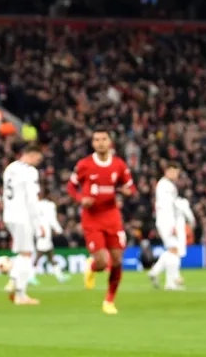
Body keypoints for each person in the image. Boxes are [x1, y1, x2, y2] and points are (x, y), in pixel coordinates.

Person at [67, 129, 135, 315]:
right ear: (92, 143)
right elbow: (71, 186)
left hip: (112, 216)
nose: (100, 143)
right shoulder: (84, 165)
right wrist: (81, 198)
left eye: (104, 139)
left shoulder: (119, 165)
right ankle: (91, 267)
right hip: (92, 218)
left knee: (117, 260)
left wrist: (128, 192)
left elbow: (130, 186)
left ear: (110, 141)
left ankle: (109, 300)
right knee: (102, 261)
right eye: (97, 140)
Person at [2, 145, 43, 305]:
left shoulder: (10, 167)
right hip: (23, 215)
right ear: (31, 155)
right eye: (37, 159)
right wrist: (38, 222)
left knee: (22, 252)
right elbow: (32, 199)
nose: (38, 163)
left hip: (9, 214)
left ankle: (14, 279)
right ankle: (21, 294)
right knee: (27, 254)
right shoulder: (30, 171)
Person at [148, 163, 194, 290]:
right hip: (167, 221)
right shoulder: (165, 185)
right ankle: (171, 282)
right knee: (174, 250)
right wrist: (173, 224)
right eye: (173, 172)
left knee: (172, 250)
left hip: (165, 221)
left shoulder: (166, 185)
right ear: (167, 172)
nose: (175, 175)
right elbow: (169, 206)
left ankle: (157, 273)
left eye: (177, 173)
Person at [33, 191, 68, 284]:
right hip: (45, 233)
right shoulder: (50, 206)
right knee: (38, 256)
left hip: (41, 232)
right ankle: (29, 275)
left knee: (51, 256)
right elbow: (52, 219)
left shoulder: (36, 205)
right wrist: (59, 230)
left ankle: (60, 276)